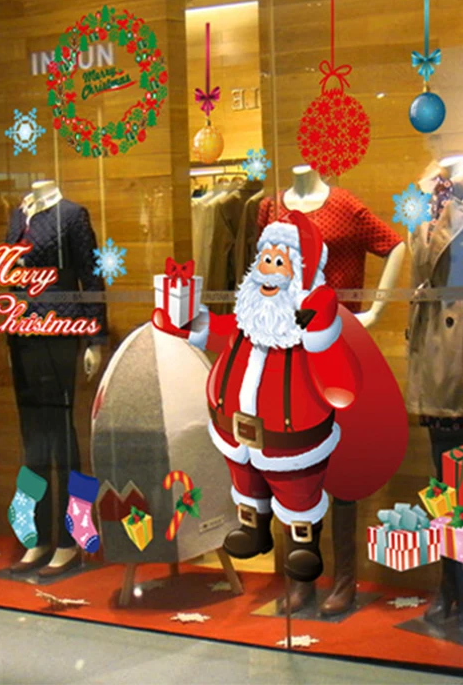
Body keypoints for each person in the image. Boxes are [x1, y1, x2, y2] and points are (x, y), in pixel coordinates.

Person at [152, 212, 361, 581]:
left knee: (297, 492)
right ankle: (253, 526)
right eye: (265, 259)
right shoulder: (247, 323)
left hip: (291, 442)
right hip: (235, 434)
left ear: (301, 275)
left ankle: (302, 543)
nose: (268, 271)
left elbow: (340, 378)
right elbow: (219, 331)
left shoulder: (307, 333)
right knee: (246, 484)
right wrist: (187, 324)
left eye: (279, 262)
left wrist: (321, 328)